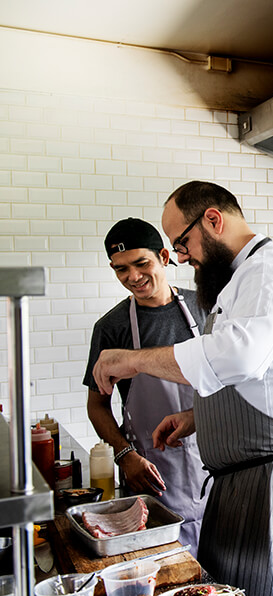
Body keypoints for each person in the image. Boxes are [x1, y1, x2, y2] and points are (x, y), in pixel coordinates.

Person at [91, 181, 273, 596]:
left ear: (213, 220)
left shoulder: (270, 270)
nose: (181, 256)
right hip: (253, 478)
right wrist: (200, 417)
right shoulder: (243, 278)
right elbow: (259, 377)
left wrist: (133, 359)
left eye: (182, 242)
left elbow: (237, 358)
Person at [83, 217, 208, 552]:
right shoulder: (112, 327)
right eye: (120, 269)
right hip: (153, 471)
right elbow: (97, 405)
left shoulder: (206, 307)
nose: (133, 278)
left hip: (215, 462)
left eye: (141, 264)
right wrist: (125, 456)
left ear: (164, 257)